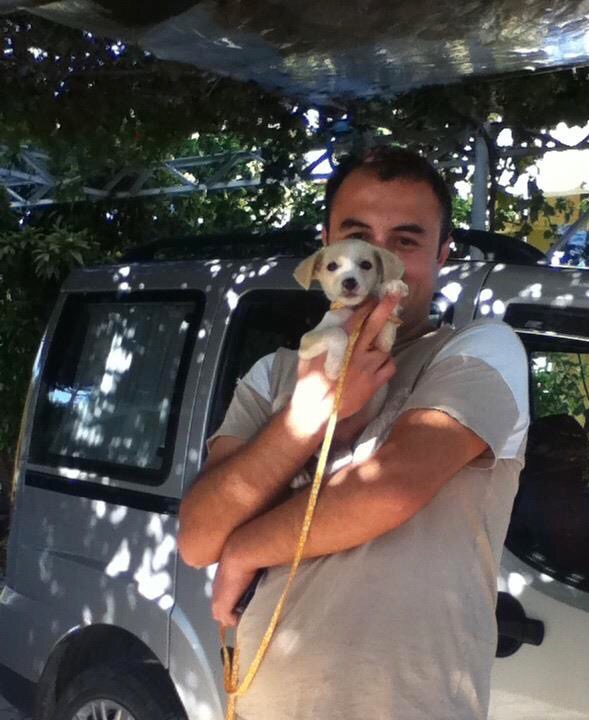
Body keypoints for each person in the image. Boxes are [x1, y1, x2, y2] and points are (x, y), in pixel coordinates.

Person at [177, 147, 530, 720]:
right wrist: (307, 417)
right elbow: (198, 540)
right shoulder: (274, 374)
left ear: (443, 255)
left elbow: (390, 488)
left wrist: (243, 549)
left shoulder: (478, 352)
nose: (376, 263)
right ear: (325, 250)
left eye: (406, 241)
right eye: (357, 237)